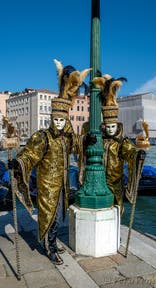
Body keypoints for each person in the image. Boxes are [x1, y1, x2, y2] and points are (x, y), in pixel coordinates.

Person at [8, 60, 91, 265]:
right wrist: (18, 163)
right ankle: (49, 247)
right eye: (56, 120)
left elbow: (77, 146)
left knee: (58, 215)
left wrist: (87, 140)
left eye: (62, 121)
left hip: (62, 183)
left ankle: (52, 242)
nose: (59, 123)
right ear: (52, 119)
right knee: (49, 216)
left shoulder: (66, 137)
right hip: (46, 185)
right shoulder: (43, 137)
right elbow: (30, 155)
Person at [92, 74, 150, 215]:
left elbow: (130, 152)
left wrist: (138, 154)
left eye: (113, 127)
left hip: (115, 184)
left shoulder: (122, 142)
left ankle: (114, 235)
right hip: (98, 183)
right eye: (108, 127)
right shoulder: (99, 140)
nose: (111, 129)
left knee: (116, 210)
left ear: (117, 126)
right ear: (104, 126)